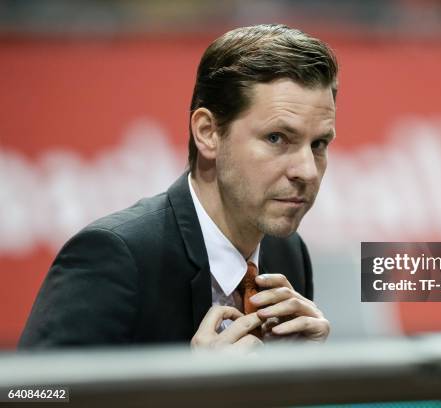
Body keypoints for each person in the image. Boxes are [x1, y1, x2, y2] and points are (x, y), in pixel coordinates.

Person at [19, 24, 337, 350]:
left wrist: (304, 373)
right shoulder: (115, 256)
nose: (307, 172)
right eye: (276, 138)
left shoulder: (287, 253)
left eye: (319, 144)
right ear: (208, 133)